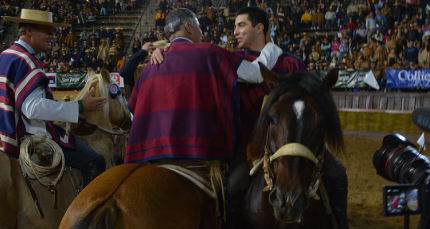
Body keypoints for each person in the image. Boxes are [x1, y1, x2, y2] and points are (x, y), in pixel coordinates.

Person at [125, 7, 283, 225]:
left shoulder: (150, 68)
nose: (202, 33)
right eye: (199, 27)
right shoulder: (210, 53)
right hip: (198, 156)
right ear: (189, 27)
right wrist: (272, 48)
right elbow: (256, 74)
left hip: (149, 160)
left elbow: (132, 114)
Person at [231, 6, 349, 229]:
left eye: (240, 25)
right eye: (234, 26)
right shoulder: (234, 62)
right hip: (247, 140)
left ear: (259, 28)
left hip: (296, 139)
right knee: (234, 184)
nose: (235, 31)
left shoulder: (291, 62)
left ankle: (339, 223)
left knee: (338, 173)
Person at [0, 9, 107, 187]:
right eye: (47, 31)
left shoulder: (5, 56)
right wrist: (79, 105)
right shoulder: (26, 61)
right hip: (27, 137)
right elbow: (33, 108)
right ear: (29, 31)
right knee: (95, 161)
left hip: (4, 135)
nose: (53, 36)